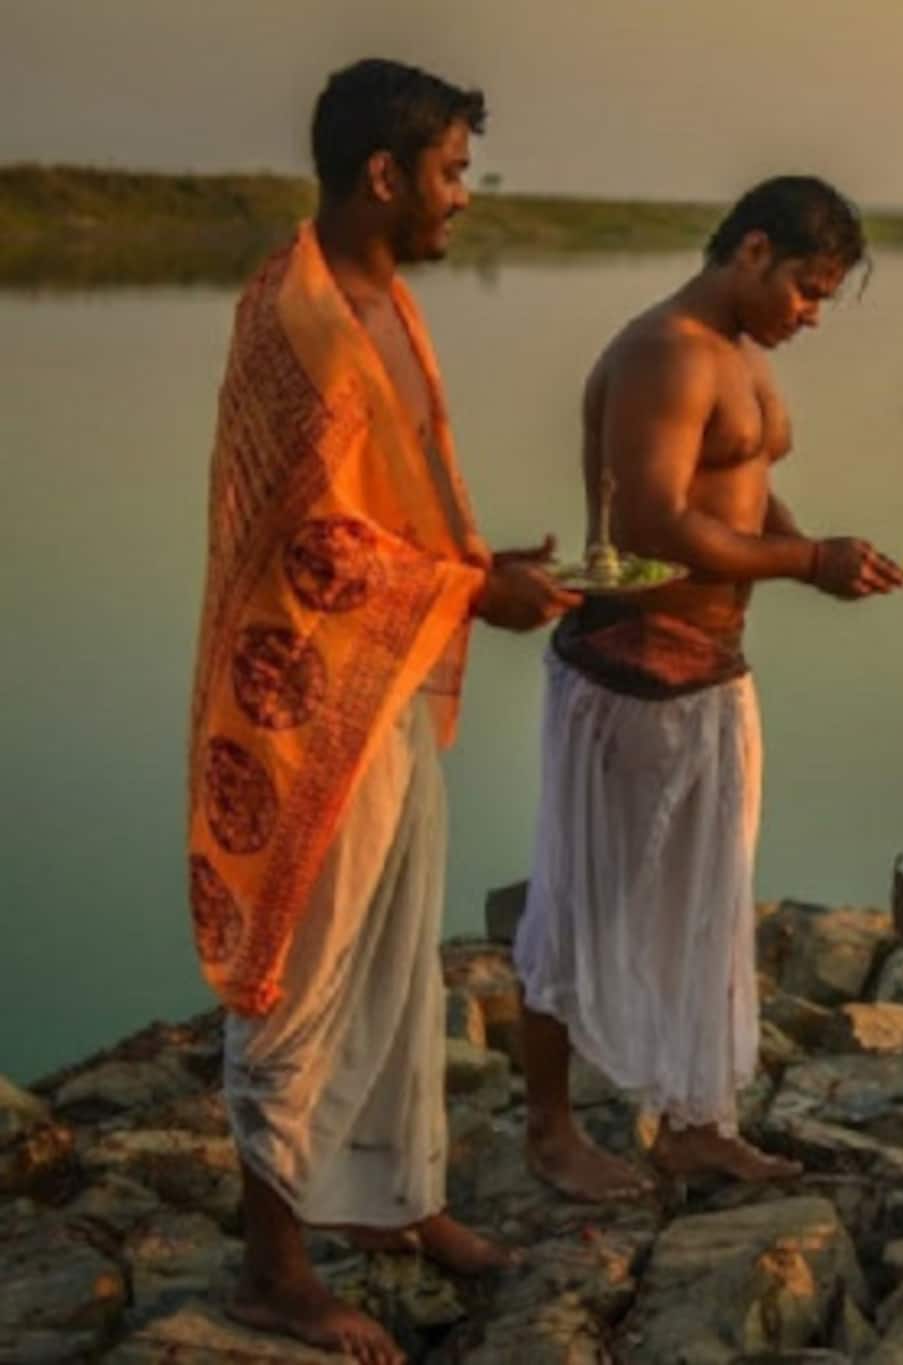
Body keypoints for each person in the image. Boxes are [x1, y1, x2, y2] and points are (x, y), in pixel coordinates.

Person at [187, 57, 577, 1363]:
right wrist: (472, 592)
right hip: (302, 703)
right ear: (383, 174)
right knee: (298, 977)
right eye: (451, 172)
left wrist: (476, 566)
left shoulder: (380, 302)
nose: (463, 195)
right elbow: (315, 548)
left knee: (399, 957)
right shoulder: (298, 317)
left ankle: (394, 1198)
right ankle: (274, 1273)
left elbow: (380, 515)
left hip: (382, 680)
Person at [515, 176, 903, 1200]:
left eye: (824, 298)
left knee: (708, 898)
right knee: (582, 902)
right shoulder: (666, 350)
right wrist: (808, 561)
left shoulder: (738, 354)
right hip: (630, 668)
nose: (810, 315)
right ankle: (550, 1132)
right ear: (753, 251)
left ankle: (695, 1122)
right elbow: (649, 522)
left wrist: (815, 552)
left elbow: (742, 487)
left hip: (713, 669)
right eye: (807, 290)